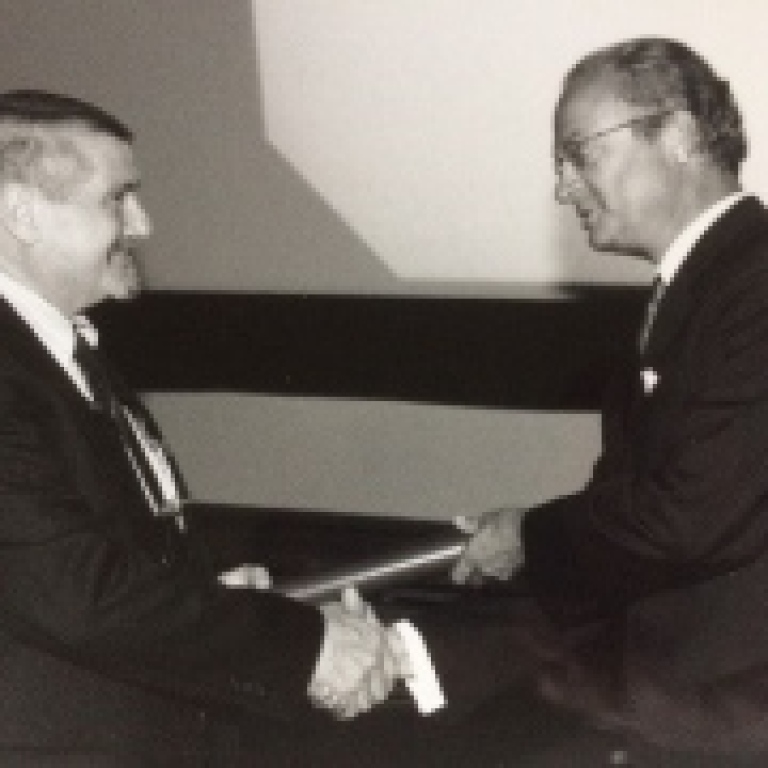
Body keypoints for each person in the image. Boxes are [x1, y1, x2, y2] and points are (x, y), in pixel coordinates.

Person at [0, 89, 405, 767]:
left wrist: (204, 591)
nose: (144, 223)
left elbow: (105, 546)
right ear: (21, 215)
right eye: (117, 198)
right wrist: (302, 644)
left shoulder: (63, 350)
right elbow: (74, 591)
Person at [446, 36, 768, 760]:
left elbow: (686, 518)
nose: (563, 188)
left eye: (580, 153)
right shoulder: (696, 291)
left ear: (681, 135)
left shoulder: (755, 284)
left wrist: (526, 535)